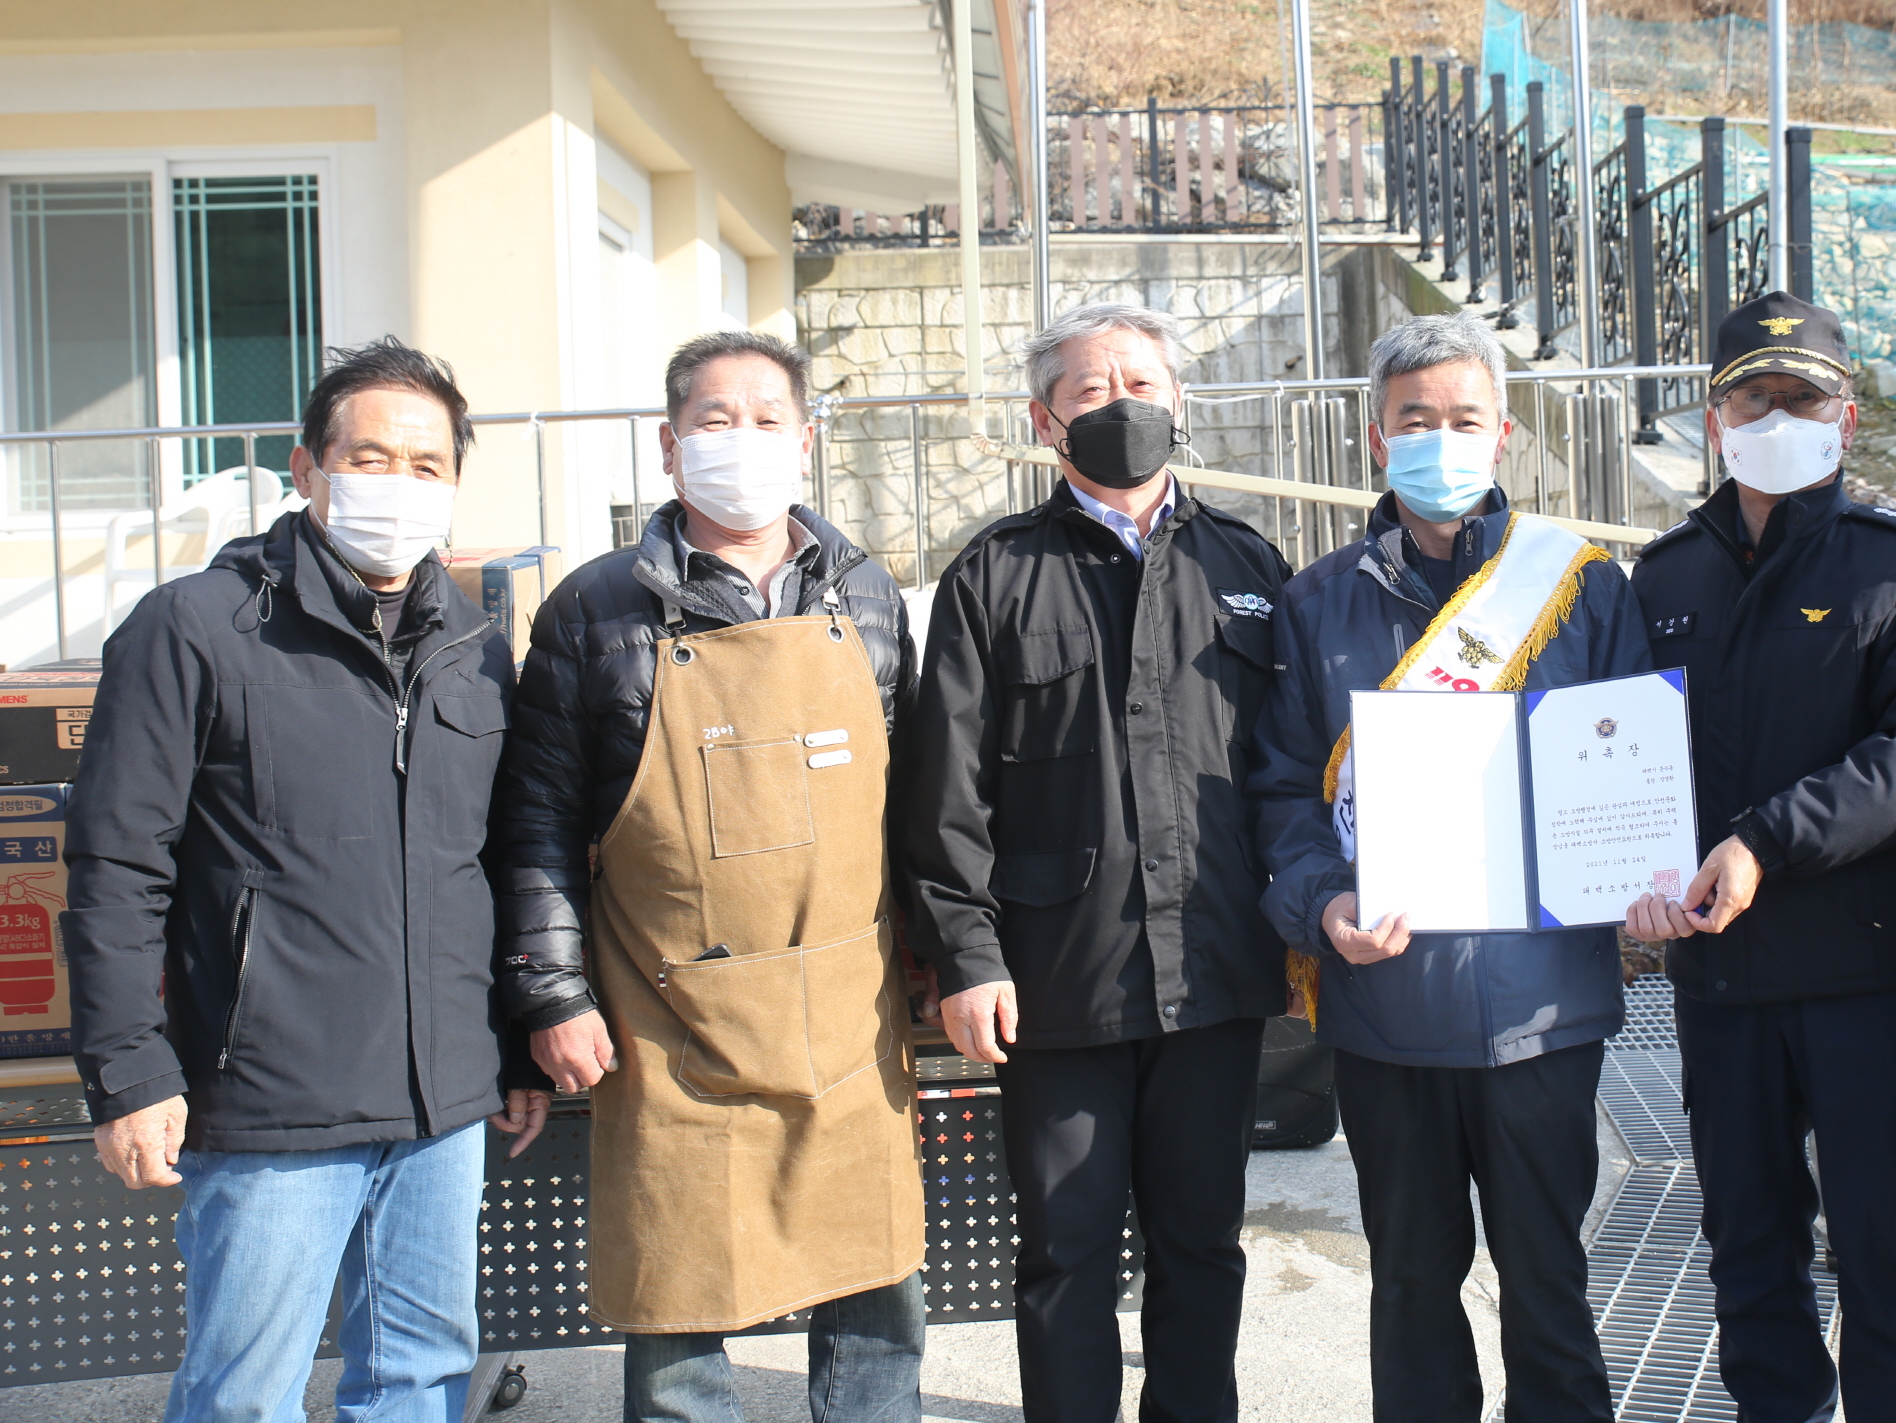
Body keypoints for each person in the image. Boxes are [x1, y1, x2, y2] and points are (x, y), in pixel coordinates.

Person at [63, 340, 539, 1423]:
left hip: (441, 1101)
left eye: (426, 465)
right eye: (369, 457)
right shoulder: (196, 627)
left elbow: (496, 861)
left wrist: (511, 1045)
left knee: (420, 1381)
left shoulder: (473, 646)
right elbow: (117, 864)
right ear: (308, 469)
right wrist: (129, 1070)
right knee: (244, 1395)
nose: (398, 483)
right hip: (270, 1098)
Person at [487, 330, 925, 1423]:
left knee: (875, 1291)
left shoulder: (868, 597)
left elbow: (914, 801)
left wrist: (943, 960)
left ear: (806, 442)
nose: (743, 441)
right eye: (715, 421)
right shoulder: (595, 611)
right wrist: (552, 995)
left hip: (847, 1007)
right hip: (669, 1018)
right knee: (679, 1301)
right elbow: (536, 824)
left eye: (767, 420)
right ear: (669, 445)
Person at [1248, 313, 1651, 1423]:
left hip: (1544, 1009)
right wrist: (1323, 903)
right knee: (1413, 1286)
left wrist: (1641, 876)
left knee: (1550, 1283)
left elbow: (1633, 769)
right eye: (1415, 419)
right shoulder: (1316, 601)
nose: (1441, 440)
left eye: (1465, 419)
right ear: (1377, 438)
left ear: (1504, 433)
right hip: (1387, 1005)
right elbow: (1280, 793)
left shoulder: (1580, 587)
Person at [901, 301, 1291, 1423]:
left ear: (1179, 402)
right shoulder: (994, 574)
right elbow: (946, 792)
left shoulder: (1248, 565)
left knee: (1202, 1243)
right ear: (1045, 421)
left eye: (1142, 384)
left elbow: (1292, 768)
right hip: (1055, 983)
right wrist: (967, 957)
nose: (1121, 405)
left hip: (1211, 972)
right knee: (1064, 1254)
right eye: (1089, 389)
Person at [1623, 291, 1896, 1423]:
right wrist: (1626, 881)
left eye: (1803, 397)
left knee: (1886, 1259)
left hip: (1870, 980)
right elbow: (1626, 763)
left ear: (1848, 417)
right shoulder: (1664, 576)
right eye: (1753, 398)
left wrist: (1764, 840)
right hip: (1723, 985)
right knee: (1747, 1256)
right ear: (1714, 419)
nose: (1777, 416)